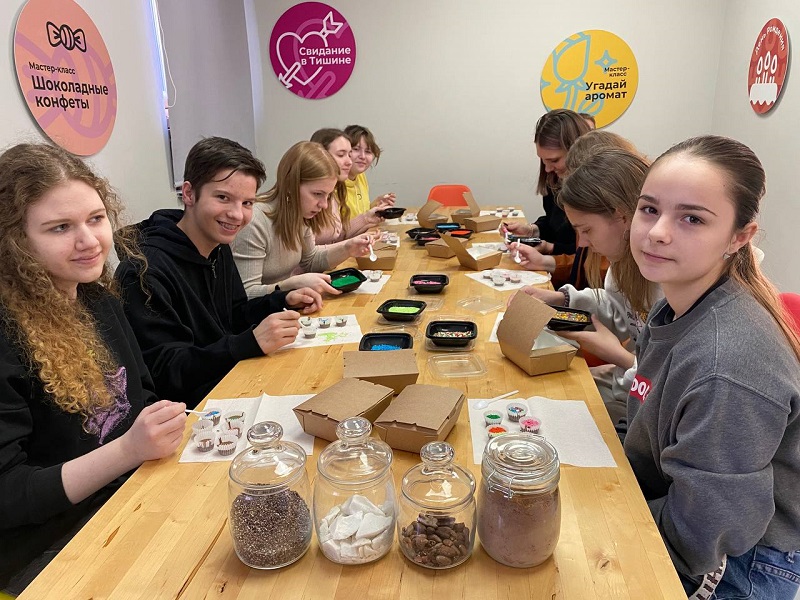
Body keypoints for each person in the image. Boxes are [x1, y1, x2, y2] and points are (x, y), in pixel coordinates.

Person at [0, 143, 186, 594]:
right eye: (61, 227)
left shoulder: (98, 298)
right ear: (14, 241)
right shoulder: (7, 334)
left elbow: (141, 393)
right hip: (50, 547)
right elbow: (8, 495)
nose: (89, 241)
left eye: (96, 219)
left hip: (130, 494)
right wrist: (127, 451)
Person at [625, 135, 800, 598]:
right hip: (684, 517)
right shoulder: (677, 306)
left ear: (739, 237)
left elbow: (705, 531)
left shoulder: (728, 363)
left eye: (692, 218)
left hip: (741, 563)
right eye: (649, 209)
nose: (658, 232)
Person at [116, 137, 322, 409]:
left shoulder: (218, 246)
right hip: (193, 411)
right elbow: (166, 372)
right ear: (189, 194)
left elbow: (234, 315)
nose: (237, 215)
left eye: (247, 203)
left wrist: (281, 300)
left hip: (231, 381)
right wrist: (248, 343)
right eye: (223, 198)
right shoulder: (143, 271)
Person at [515, 147, 659, 433]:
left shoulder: (668, 286)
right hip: (631, 384)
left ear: (622, 216)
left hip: (647, 410)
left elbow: (665, 390)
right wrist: (563, 297)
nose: (581, 243)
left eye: (587, 230)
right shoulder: (623, 266)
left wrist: (619, 357)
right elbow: (618, 306)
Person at [231, 141, 372, 298]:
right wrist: (290, 285)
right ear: (290, 185)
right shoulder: (255, 221)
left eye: (328, 195)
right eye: (317, 194)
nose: (324, 205)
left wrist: (347, 248)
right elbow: (246, 295)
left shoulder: (300, 215)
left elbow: (310, 260)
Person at [504, 109, 591, 288]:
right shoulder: (555, 179)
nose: (547, 168)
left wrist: (548, 249)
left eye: (554, 160)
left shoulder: (594, 195)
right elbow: (554, 222)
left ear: (577, 152)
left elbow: (585, 259)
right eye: (543, 160)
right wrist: (532, 230)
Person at [309, 128, 392, 244]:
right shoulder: (331, 188)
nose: (349, 162)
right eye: (341, 155)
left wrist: (367, 218)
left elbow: (335, 236)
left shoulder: (337, 189)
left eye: (349, 154)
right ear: (319, 156)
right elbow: (312, 248)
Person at [343, 124, 396, 216]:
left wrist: (375, 205)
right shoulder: (333, 184)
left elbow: (359, 216)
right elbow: (337, 226)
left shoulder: (360, 176)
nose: (363, 156)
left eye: (368, 151)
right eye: (356, 149)